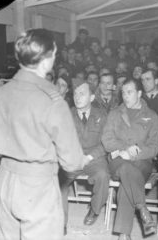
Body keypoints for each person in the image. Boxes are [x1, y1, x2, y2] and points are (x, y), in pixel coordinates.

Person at [0, 28, 88, 240]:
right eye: (54, 53)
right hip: (37, 184)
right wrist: (80, 159)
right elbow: (72, 162)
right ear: (45, 61)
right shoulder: (52, 99)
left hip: (4, 179)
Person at [101, 78, 158, 240]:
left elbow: (155, 146)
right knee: (127, 169)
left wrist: (136, 153)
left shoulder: (152, 116)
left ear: (139, 93)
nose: (125, 96)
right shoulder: (115, 113)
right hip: (118, 162)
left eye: (129, 92)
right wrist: (124, 150)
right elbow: (107, 140)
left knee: (127, 181)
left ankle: (124, 235)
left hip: (142, 163)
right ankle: (142, 207)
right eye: (123, 92)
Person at [59, 80, 109, 234]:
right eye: (75, 93)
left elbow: (106, 143)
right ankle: (61, 221)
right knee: (59, 181)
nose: (77, 97)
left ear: (92, 97)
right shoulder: (66, 113)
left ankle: (94, 210)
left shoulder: (102, 115)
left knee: (103, 175)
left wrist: (89, 157)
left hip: (94, 159)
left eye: (82, 93)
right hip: (73, 158)